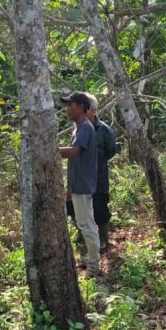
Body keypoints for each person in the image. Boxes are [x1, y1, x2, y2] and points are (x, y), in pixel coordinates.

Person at [66, 93, 117, 252]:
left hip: (99, 178)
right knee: (76, 209)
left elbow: (111, 151)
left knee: (100, 209)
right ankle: (84, 238)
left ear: (92, 111)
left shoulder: (104, 131)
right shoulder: (78, 129)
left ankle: (102, 240)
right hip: (81, 179)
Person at [59, 91, 101, 276]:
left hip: (83, 186)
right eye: (67, 105)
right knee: (85, 224)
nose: (67, 109)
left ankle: (93, 267)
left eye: (71, 105)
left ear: (82, 108)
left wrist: (49, 149)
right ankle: (90, 261)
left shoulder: (84, 127)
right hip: (79, 185)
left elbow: (74, 152)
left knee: (87, 225)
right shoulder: (79, 128)